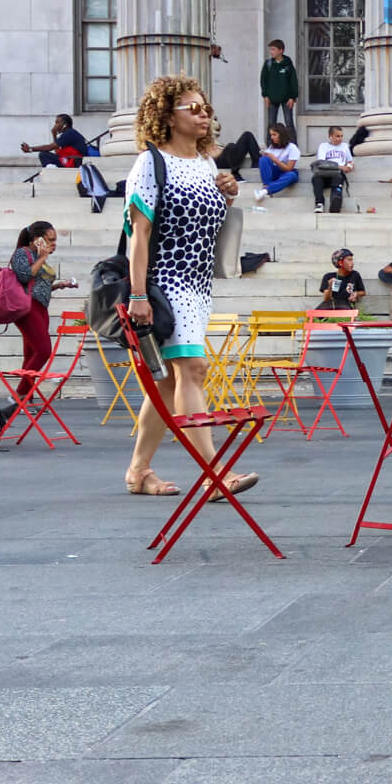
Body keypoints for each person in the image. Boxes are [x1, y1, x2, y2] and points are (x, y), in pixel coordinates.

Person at [121, 75, 252, 501]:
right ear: (167, 116)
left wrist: (227, 194)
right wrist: (138, 294)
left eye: (205, 107)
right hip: (164, 283)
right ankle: (216, 475)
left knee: (164, 386)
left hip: (197, 285)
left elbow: (204, 225)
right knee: (192, 370)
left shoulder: (206, 163)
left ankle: (138, 471)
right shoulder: (150, 163)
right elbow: (138, 235)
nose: (203, 114)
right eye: (192, 108)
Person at [7, 219, 77, 402]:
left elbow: (38, 285)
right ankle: (19, 395)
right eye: (50, 240)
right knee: (44, 350)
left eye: (55, 241)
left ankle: (24, 399)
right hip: (28, 308)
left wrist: (60, 285)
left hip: (40, 307)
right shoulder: (23, 253)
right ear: (37, 240)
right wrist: (43, 257)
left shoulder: (37, 257)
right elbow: (24, 276)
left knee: (31, 354)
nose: (53, 245)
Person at [311, 125, 356, 213]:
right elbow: (321, 162)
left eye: (341, 136)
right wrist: (340, 166)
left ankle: (336, 201)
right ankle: (319, 204)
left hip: (337, 173)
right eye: (337, 136)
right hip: (324, 172)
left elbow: (350, 161)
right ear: (330, 136)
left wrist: (350, 166)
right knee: (316, 179)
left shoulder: (345, 146)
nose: (340, 138)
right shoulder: (323, 146)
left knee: (338, 180)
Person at [21, 114, 93, 168]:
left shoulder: (69, 133)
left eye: (57, 122)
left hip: (74, 162)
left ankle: (51, 169)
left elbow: (50, 147)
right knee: (46, 156)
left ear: (65, 125)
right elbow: (57, 152)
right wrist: (54, 135)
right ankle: (51, 168)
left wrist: (30, 149)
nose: (55, 125)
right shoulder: (69, 133)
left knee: (43, 154)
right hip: (70, 160)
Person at [253, 123, 300, 201]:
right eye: (271, 135)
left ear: (281, 135)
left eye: (274, 135)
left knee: (291, 175)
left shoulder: (292, 147)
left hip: (286, 172)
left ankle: (266, 190)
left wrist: (275, 159)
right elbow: (266, 164)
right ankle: (266, 186)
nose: (272, 137)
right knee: (263, 159)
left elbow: (289, 168)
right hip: (274, 172)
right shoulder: (271, 147)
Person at [260, 39, 299, 133]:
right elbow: (263, 80)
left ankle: (293, 145)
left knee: (289, 123)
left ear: (281, 50)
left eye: (273, 49)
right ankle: (271, 146)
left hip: (287, 99)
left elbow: (293, 81)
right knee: (271, 124)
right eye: (270, 49)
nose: (271, 52)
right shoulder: (268, 64)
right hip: (271, 98)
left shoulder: (288, 64)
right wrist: (265, 95)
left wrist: (292, 97)